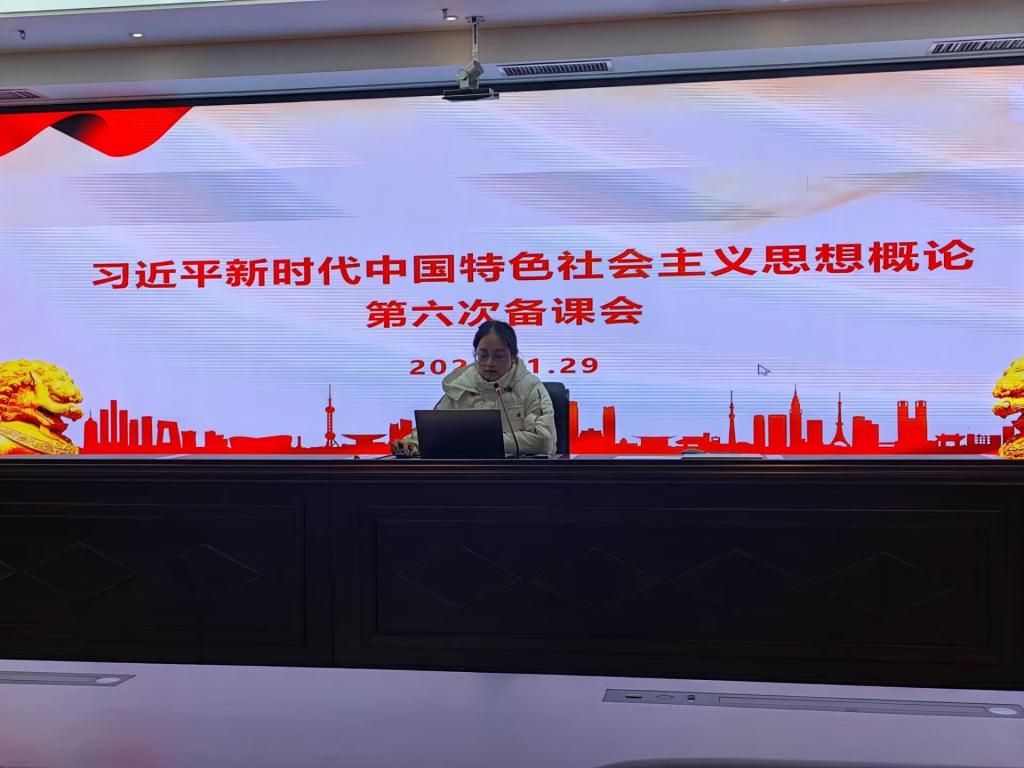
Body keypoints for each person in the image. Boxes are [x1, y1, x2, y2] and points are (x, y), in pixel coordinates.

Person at [392, 320, 556, 457]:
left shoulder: (531, 387)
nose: (489, 363)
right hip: (464, 474)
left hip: (514, 475)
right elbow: (434, 431)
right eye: (483, 355)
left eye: (499, 356)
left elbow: (545, 441)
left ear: (513, 356)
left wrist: (484, 440)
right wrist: (410, 443)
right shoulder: (460, 386)